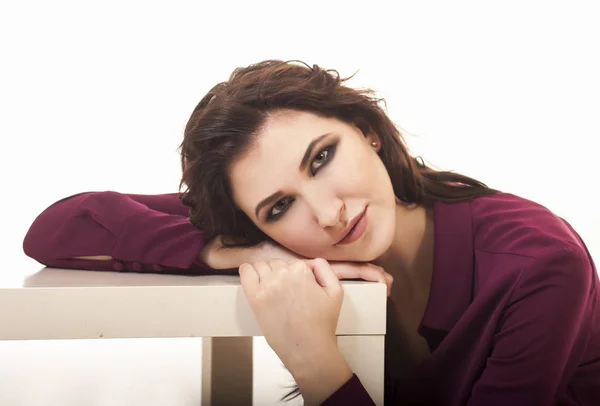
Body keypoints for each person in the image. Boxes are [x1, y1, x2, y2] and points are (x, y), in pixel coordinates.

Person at [23, 60, 599, 406]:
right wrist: (234, 249)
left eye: (322, 158)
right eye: (278, 207)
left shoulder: (538, 264)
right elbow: (59, 229)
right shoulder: (266, 232)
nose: (327, 215)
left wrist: (316, 363)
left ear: (368, 131)